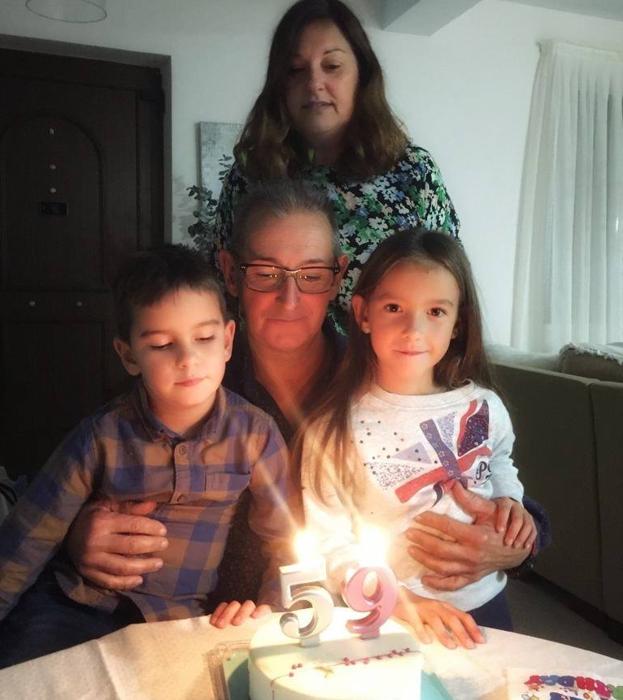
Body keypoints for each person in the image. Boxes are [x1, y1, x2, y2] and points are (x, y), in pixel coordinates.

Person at [66, 183, 542, 629]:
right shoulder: (185, 375)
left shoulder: (395, 379)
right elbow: (75, 483)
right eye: (266, 273)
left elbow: (488, 480)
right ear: (232, 273)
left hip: (353, 621)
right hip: (203, 619)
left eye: (311, 275)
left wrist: (514, 545)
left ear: (336, 278)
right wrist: (76, 536)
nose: (288, 296)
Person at [0, 245, 294, 667]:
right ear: (128, 355)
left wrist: (276, 616)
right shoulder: (101, 435)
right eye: (161, 344)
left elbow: (283, 538)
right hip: (75, 606)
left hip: (176, 620)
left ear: (228, 340)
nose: (188, 359)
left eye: (205, 338)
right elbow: (28, 537)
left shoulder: (255, 433)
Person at [297, 229, 536, 648]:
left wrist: (512, 502)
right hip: (395, 616)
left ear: (458, 322)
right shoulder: (334, 430)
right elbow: (329, 541)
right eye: (394, 307)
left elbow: (499, 460)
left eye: (436, 311)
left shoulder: (482, 406)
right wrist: (398, 602)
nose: (414, 328)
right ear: (363, 313)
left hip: (487, 601)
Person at [200, 0, 460, 331]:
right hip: (272, 373)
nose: (314, 83)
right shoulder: (251, 175)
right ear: (280, 84)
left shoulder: (412, 173)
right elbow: (218, 289)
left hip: (386, 376)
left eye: (332, 66)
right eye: (296, 70)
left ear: (362, 75)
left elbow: (449, 287)